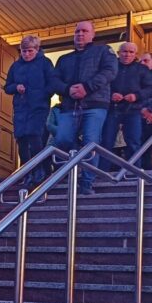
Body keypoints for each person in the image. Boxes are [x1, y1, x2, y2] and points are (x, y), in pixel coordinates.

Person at [52, 21, 118, 195]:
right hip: (69, 106)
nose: (80, 34)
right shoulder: (64, 59)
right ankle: (67, 176)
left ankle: (87, 182)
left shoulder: (103, 51)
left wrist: (87, 87)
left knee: (90, 142)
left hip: (95, 104)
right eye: (77, 31)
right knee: (62, 140)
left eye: (84, 31)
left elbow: (110, 71)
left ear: (93, 34)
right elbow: (54, 80)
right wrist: (68, 89)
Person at [4, 34, 57, 187]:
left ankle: (41, 169)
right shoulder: (16, 66)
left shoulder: (45, 63)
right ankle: (27, 172)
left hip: (38, 106)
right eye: (24, 51)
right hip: (21, 107)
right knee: (21, 139)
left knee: (34, 136)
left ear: (37, 49)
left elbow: (52, 83)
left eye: (30, 51)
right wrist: (16, 87)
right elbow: (7, 86)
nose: (26, 54)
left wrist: (42, 95)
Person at [102, 42, 152, 169]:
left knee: (133, 142)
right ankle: (102, 172)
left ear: (135, 54)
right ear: (118, 53)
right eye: (124, 51)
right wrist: (111, 95)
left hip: (133, 110)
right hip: (112, 109)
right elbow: (102, 85)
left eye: (131, 52)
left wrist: (136, 96)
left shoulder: (142, 69)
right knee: (106, 142)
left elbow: (150, 89)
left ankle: (135, 172)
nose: (127, 54)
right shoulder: (110, 68)